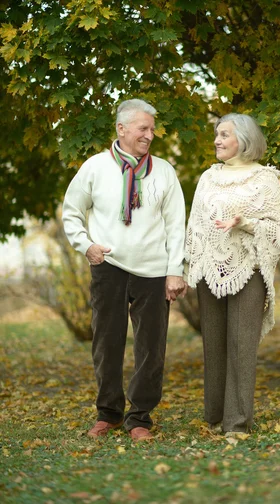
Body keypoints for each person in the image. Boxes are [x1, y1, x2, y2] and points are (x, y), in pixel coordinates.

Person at [62, 98, 186, 441]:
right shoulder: (95, 167)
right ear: (122, 129)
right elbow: (72, 212)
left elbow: (177, 225)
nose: (150, 134)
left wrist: (176, 270)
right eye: (143, 128)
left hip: (154, 271)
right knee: (106, 343)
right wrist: (86, 245)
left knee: (151, 347)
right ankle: (109, 413)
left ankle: (140, 417)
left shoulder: (164, 171)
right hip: (109, 267)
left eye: (152, 129)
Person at [185, 113, 280, 435]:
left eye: (224, 134)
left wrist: (244, 223)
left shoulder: (265, 179)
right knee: (213, 346)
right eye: (216, 134)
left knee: (242, 347)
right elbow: (195, 226)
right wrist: (192, 265)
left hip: (249, 268)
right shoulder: (208, 178)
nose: (217, 140)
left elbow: (277, 230)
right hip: (209, 270)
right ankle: (215, 417)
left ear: (243, 139)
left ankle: (238, 423)